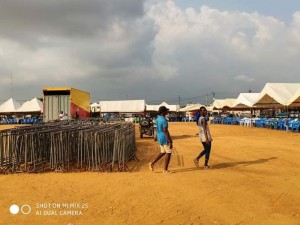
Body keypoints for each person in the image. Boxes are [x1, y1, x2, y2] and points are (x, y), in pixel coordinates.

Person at [149, 106, 173, 173]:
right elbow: (165, 131)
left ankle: (152, 163)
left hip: (159, 137)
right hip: (164, 137)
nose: (167, 112)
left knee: (163, 152)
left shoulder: (158, 119)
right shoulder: (164, 120)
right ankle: (165, 169)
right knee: (168, 152)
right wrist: (170, 141)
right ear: (163, 112)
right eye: (166, 111)